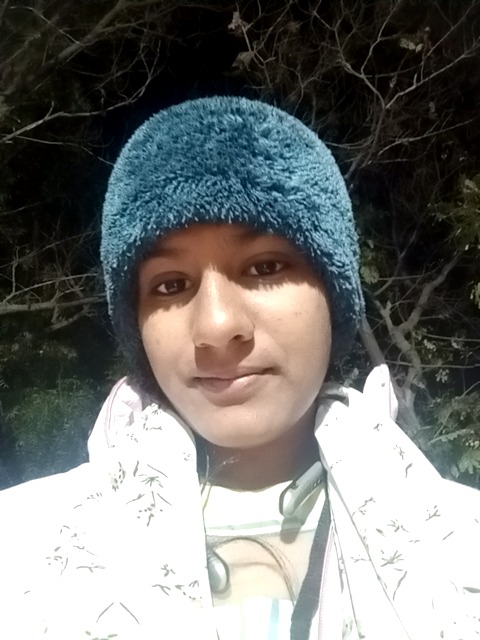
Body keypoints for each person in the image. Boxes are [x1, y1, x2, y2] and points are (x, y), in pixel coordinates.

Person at [0, 96, 479, 640]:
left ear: (333, 293)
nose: (217, 324)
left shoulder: (459, 544)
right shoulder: (21, 548)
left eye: (265, 266)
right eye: (170, 285)